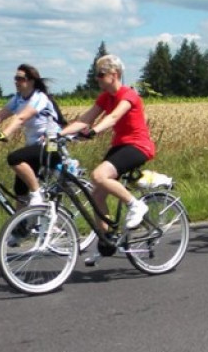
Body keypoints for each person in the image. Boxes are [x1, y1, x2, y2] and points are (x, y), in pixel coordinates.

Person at [60, 54, 155, 264]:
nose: (97, 78)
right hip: (120, 146)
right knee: (96, 195)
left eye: (101, 74)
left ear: (115, 74)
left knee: (98, 175)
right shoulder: (105, 97)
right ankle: (107, 242)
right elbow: (86, 118)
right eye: (97, 74)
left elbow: (113, 117)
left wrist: (93, 131)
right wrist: (59, 134)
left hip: (138, 146)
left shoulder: (128, 95)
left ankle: (136, 205)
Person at [0, 64, 62, 206]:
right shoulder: (19, 98)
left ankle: (37, 194)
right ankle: (21, 220)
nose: (16, 82)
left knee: (14, 158)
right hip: (34, 145)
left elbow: (21, 118)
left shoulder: (39, 97)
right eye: (15, 78)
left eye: (20, 78)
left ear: (31, 81)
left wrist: (4, 133)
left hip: (51, 143)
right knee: (20, 190)